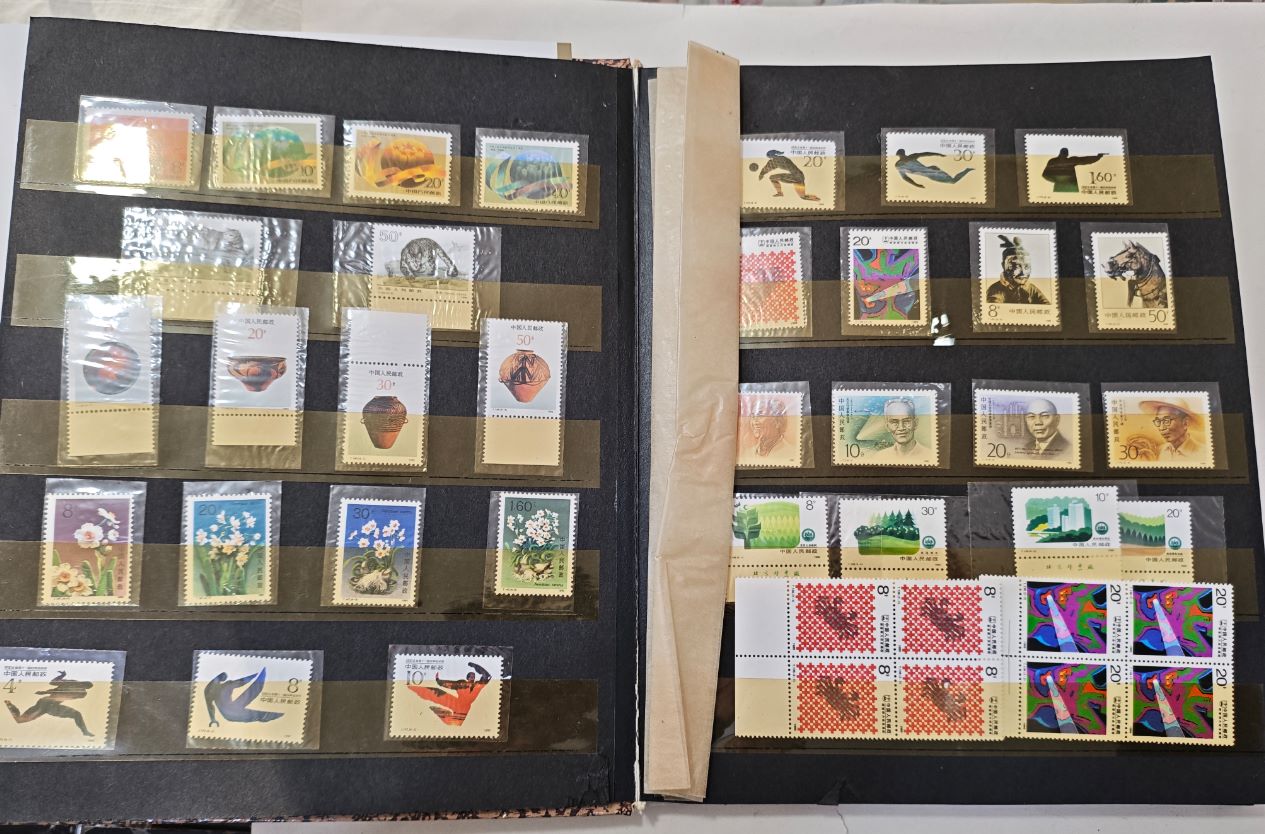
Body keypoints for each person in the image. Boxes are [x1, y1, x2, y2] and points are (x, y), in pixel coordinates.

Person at [4, 671, 94, 737]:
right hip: (46, 703)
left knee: (76, 714)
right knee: (20, 720)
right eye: (83, 684)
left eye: (84, 686)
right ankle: (9, 705)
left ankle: (85, 731)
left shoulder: (81, 691)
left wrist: (46, 691)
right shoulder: (73, 683)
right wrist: (62, 676)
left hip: (51, 705)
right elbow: (54, 684)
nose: (81, 686)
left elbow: (62, 692)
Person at [408, 662, 492, 726]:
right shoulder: (462, 683)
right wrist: (439, 681)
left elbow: (487, 676)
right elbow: (450, 684)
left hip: (465, 707)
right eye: (470, 676)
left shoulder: (478, 685)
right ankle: (412, 688)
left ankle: (441, 713)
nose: (472, 677)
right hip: (457, 703)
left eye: (473, 676)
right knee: (436, 692)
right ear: (467, 677)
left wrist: (475, 666)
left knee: (455, 724)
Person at [987, 235, 1050, 305]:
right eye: (1016, 266)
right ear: (1003, 266)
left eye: (1026, 266)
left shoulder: (1031, 288)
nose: (1023, 273)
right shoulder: (996, 290)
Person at [869, 397, 933, 462]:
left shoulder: (930, 455)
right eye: (894, 422)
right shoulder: (879, 457)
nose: (901, 428)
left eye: (906, 421)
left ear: (915, 423)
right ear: (887, 427)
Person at [1140, 398, 1204, 461]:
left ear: (1185, 423)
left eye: (1166, 421)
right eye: (1159, 422)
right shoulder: (1159, 452)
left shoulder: (1203, 453)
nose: (1161, 428)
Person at [753, 150, 820, 202]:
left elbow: (768, 167)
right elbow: (769, 166)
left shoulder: (777, 160)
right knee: (772, 177)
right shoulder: (781, 158)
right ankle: (780, 193)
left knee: (803, 197)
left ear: (771, 156)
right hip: (799, 175)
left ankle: (817, 200)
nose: (769, 158)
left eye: (769, 156)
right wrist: (762, 173)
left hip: (796, 177)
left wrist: (761, 174)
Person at [893, 148, 973, 188]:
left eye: (901, 154)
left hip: (933, 172)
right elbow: (905, 177)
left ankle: (967, 170)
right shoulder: (899, 165)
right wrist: (916, 185)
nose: (902, 156)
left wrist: (938, 154)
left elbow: (926, 153)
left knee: (952, 181)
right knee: (952, 181)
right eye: (901, 155)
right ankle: (967, 170)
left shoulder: (901, 163)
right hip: (931, 173)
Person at [1041, 147, 1105, 193]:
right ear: (1067, 154)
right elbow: (1085, 160)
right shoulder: (1071, 160)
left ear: (1060, 153)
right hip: (1071, 186)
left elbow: (1045, 175)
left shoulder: (1052, 161)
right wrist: (1098, 157)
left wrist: (1057, 180)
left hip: (1059, 187)